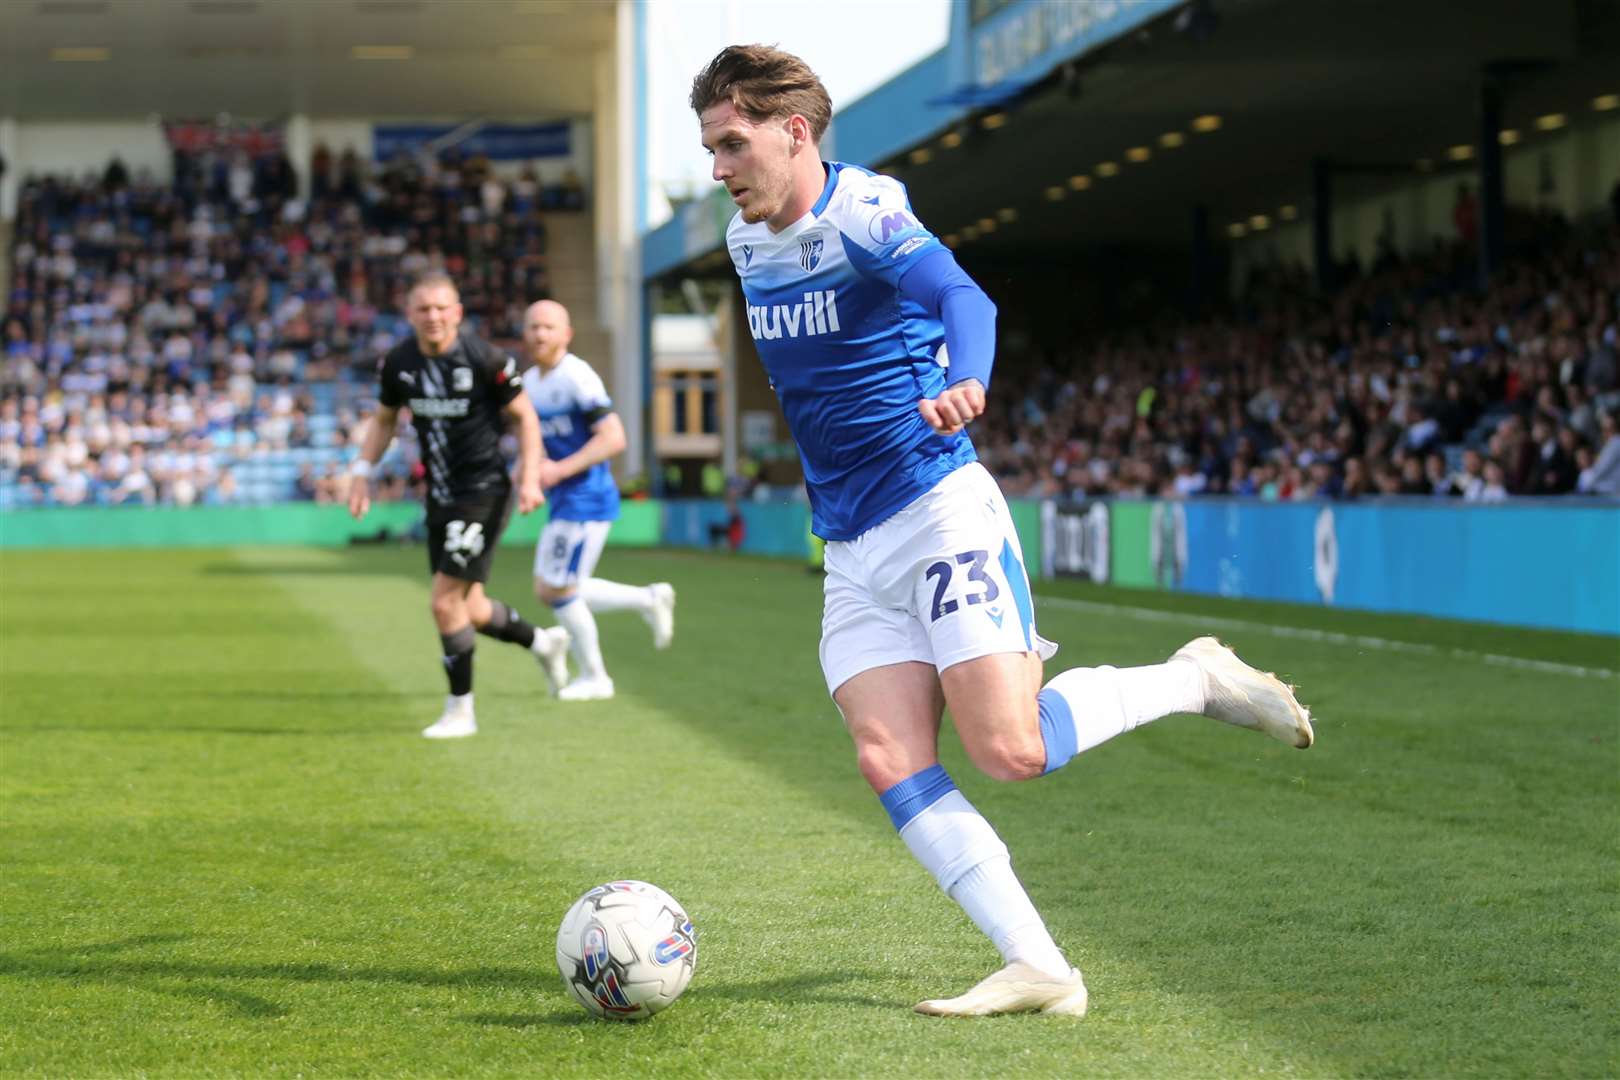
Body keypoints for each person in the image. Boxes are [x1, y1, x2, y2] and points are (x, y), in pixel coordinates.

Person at [691, 44, 1315, 1019]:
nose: (719, 169)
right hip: (852, 548)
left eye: (732, 145)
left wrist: (965, 377)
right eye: (711, 150)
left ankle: (1195, 677)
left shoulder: (866, 211)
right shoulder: (744, 242)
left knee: (1011, 749)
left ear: (794, 132)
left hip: (936, 510)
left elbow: (961, 298)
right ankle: (1041, 968)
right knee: (888, 759)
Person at [348, 273, 571, 739]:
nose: (433, 316)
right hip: (440, 498)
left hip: (484, 492)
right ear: (410, 315)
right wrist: (362, 471)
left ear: (457, 313)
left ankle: (460, 711)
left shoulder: (485, 359)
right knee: (468, 607)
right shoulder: (400, 363)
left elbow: (526, 419)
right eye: (423, 309)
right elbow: (385, 420)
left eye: (441, 308)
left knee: (443, 601)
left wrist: (530, 476)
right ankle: (544, 642)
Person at [520, 299, 675, 701]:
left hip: (586, 497)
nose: (540, 334)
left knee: (558, 590)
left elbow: (613, 438)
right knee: (550, 588)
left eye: (549, 327)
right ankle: (648, 598)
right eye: (534, 327)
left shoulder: (577, 377)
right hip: (564, 497)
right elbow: (535, 443)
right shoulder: (531, 383)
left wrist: (559, 470)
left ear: (566, 334)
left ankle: (595, 677)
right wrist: (532, 477)